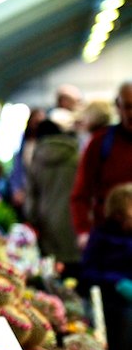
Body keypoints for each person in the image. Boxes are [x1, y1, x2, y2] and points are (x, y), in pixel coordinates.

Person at [80, 183, 132, 350]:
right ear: (120, 212)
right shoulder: (101, 236)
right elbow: (87, 272)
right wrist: (116, 282)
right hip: (111, 304)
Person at [70, 81, 132, 250]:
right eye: (127, 106)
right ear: (118, 106)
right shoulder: (100, 143)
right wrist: (83, 231)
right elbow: (80, 194)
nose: (131, 113)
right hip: (108, 242)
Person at [24, 111, 81, 277]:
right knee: (74, 275)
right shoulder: (76, 155)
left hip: (47, 223)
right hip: (74, 222)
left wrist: (32, 220)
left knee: (52, 277)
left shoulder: (37, 158)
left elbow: (31, 196)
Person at [8, 107, 46, 211]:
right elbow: (17, 169)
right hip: (24, 192)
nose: (37, 125)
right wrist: (16, 190)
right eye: (35, 122)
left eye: (40, 123)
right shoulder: (24, 144)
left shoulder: (46, 144)